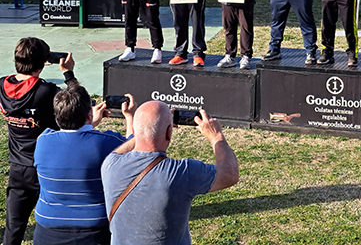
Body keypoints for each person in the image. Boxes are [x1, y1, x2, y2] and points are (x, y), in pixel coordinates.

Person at [101, 102, 239, 245]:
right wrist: (216, 136)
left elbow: (124, 148)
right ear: (169, 132)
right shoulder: (182, 173)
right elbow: (229, 175)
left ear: (135, 130)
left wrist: (150, 128)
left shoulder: (110, 164)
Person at [33, 88, 136, 245]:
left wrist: (89, 122)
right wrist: (129, 117)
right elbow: (133, 150)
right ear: (89, 114)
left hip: (48, 231)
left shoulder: (43, 141)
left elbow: (72, 140)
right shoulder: (106, 143)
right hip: (95, 231)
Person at [0, 38, 77, 245]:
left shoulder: (2, 86)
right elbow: (77, 104)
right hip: (47, 166)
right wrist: (68, 73)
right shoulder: (47, 91)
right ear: (44, 62)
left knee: (13, 227)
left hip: (18, 168)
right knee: (57, 224)